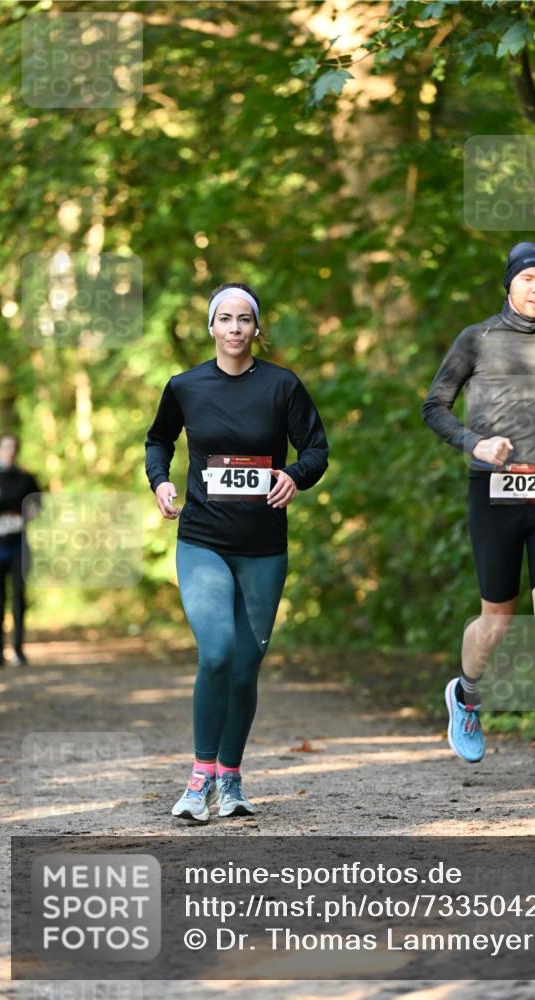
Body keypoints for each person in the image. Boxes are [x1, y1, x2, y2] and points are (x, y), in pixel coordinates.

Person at [145, 282, 328, 820]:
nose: (234, 328)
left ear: (255, 328)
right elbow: (159, 440)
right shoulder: (185, 386)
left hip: (264, 547)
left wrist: (294, 475)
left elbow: (316, 448)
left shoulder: (282, 387)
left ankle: (231, 778)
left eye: (243, 319)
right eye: (224, 319)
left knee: (247, 667)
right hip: (203, 538)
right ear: (211, 327)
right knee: (219, 652)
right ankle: (200, 776)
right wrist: (160, 481)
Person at [423, 242, 535, 788]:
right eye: (529, 279)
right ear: (510, 284)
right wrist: (475, 443)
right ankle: (466, 692)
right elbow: (435, 406)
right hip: (494, 493)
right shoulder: (478, 339)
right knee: (496, 618)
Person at [0, 433, 40, 667]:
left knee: (19, 597)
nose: (9, 451)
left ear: (17, 450)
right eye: (5, 447)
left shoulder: (26, 478)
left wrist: (30, 511)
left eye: (13, 447)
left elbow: (37, 504)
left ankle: (18, 651)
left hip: (19, 544)